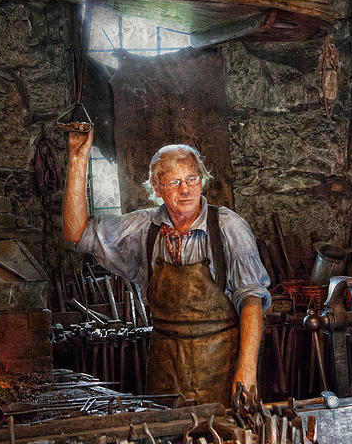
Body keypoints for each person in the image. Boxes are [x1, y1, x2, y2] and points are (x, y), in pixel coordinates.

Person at [62, 128, 270, 405]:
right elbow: (77, 233)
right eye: (173, 183)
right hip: (164, 369)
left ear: (202, 181)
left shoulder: (228, 227)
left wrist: (246, 372)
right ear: (157, 189)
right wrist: (78, 160)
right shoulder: (146, 229)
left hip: (221, 365)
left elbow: (252, 303)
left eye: (192, 179)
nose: (185, 190)